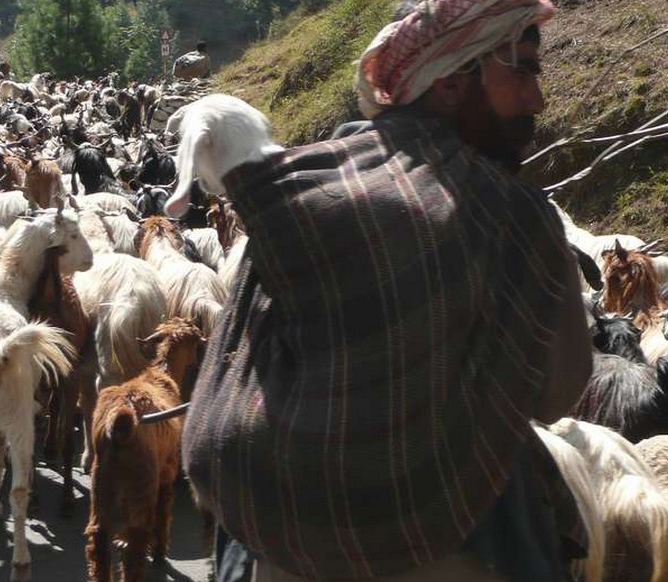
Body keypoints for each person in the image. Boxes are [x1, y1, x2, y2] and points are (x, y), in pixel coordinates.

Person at [178, 0, 593, 580]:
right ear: (451, 83)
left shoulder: (301, 186)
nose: (537, 98)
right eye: (522, 70)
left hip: (278, 540)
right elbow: (555, 393)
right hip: (444, 546)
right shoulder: (514, 217)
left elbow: (243, 350)